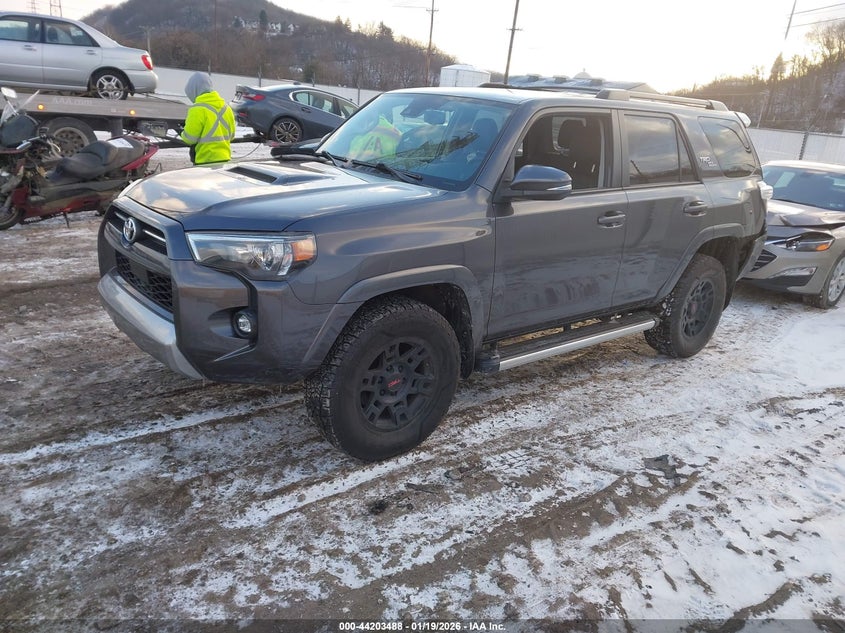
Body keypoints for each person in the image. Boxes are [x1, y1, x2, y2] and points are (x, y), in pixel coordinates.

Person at [180, 72, 235, 165]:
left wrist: (182, 132)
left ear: (194, 91)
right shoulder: (227, 108)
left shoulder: (197, 109)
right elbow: (232, 136)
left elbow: (189, 139)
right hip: (225, 160)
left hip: (205, 161)